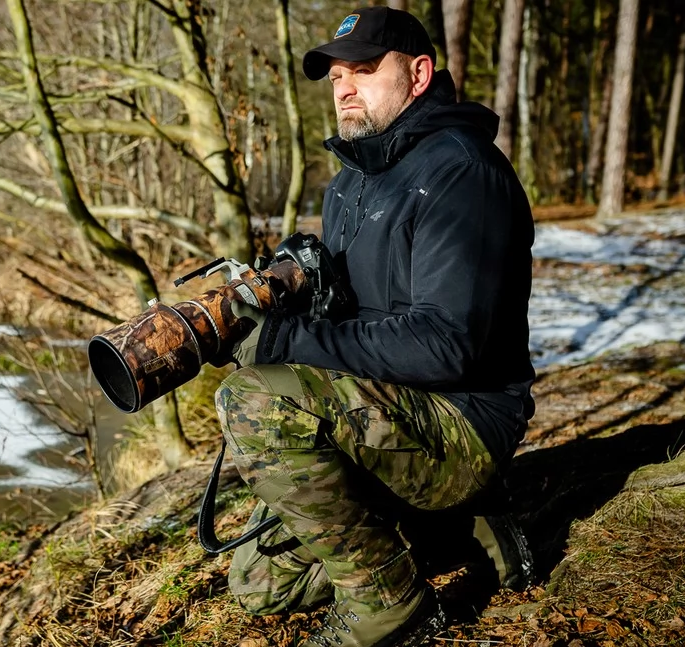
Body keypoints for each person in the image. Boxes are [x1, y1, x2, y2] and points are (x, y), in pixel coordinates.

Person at [217, 6, 536, 647]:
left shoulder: (461, 174)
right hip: (388, 408)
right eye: (336, 77)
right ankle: (456, 528)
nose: (345, 88)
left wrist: (286, 344)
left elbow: (447, 343)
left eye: (364, 70)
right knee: (259, 585)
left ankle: (391, 609)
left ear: (418, 75)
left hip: (460, 419)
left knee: (256, 402)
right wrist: (288, 287)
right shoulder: (351, 182)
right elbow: (349, 308)